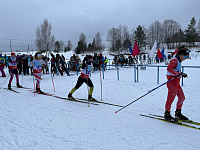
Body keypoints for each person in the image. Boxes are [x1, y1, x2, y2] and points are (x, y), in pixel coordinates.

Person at [164, 45, 190, 122]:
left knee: (182, 97)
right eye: (185, 56)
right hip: (172, 83)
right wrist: (176, 74)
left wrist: (181, 74)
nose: (185, 58)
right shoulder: (174, 60)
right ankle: (167, 114)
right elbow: (169, 68)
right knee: (171, 98)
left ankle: (178, 113)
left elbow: (177, 71)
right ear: (181, 55)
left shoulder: (178, 61)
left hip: (176, 83)